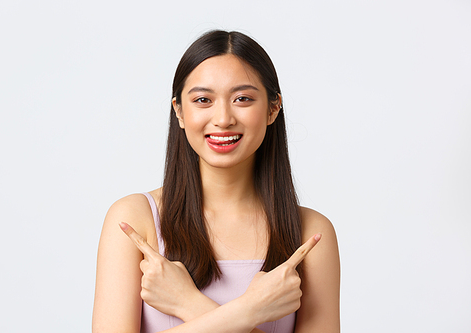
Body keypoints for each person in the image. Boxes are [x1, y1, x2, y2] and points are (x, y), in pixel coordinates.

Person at [92, 30, 340, 333]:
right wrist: (250, 310)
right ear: (179, 112)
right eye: (202, 100)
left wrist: (187, 303)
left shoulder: (311, 233)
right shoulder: (135, 218)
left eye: (243, 99)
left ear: (273, 108)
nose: (223, 118)